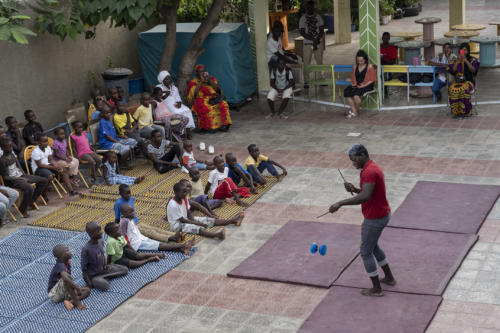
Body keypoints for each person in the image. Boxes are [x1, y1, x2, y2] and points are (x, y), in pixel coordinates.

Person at [328, 144, 396, 297]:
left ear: (361, 156)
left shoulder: (369, 172)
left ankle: (377, 288)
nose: (353, 164)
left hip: (375, 218)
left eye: (354, 160)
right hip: (380, 213)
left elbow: (365, 197)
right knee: (373, 247)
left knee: (365, 252)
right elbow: (367, 193)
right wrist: (354, 190)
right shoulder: (371, 167)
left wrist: (340, 203)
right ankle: (389, 278)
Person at [166, 181, 244, 239]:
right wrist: (196, 223)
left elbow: (188, 212)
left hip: (186, 219)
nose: (185, 193)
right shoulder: (173, 205)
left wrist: (195, 221)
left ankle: (233, 221)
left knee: (208, 220)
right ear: (176, 192)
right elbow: (182, 220)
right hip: (176, 225)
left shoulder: (184, 198)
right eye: (183, 192)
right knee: (196, 229)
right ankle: (217, 235)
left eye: (186, 191)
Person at [114, 184, 184, 243]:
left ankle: (176, 234)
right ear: (120, 194)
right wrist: (117, 231)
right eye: (126, 193)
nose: (128, 195)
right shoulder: (118, 204)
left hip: (137, 221)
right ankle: (172, 238)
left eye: (129, 193)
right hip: (130, 226)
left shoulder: (132, 198)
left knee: (155, 229)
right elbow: (117, 218)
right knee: (150, 233)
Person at [0, 138, 48, 217]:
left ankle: (30, 201)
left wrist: (24, 176)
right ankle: (22, 209)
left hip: (21, 176)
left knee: (44, 180)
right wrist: (20, 179)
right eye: (7, 147)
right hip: (12, 181)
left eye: (11, 146)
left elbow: (19, 167)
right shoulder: (2, 160)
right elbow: (5, 177)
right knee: (29, 188)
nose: (10, 148)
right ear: (2, 148)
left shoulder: (12, 155)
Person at [120, 204, 193, 254]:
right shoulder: (124, 221)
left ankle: (181, 249)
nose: (133, 213)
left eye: (133, 211)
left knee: (158, 243)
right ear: (124, 213)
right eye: (131, 212)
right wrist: (130, 249)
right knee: (159, 246)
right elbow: (124, 236)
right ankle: (183, 246)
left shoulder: (129, 218)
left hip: (141, 238)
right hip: (136, 244)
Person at [81, 222, 129, 291]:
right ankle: (101, 279)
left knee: (125, 269)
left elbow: (103, 254)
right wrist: (89, 283)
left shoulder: (101, 241)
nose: (101, 232)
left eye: (100, 230)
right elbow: (84, 269)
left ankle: (104, 277)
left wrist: (105, 263)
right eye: (98, 231)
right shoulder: (86, 249)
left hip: (103, 270)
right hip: (93, 276)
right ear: (91, 234)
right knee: (105, 286)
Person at [187, 64, 232, 132]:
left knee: (223, 103)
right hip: (200, 100)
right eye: (200, 71)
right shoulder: (193, 82)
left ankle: (224, 124)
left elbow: (218, 90)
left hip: (213, 98)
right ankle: (210, 127)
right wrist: (201, 81)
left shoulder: (211, 79)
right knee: (207, 108)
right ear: (196, 73)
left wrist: (210, 80)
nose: (202, 73)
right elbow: (194, 95)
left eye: (204, 71)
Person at [48, 244, 90, 310]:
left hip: (64, 290)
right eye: (67, 251)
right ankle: (77, 303)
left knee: (87, 290)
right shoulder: (60, 265)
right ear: (62, 255)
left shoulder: (67, 262)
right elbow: (65, 278)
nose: (70, 252)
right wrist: (77, 287)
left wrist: (77, 289)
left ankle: (70, 302)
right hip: (55, 294)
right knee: (66, 279)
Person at [156, 71, 195, 139]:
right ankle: (180, 131)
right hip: (166, 105)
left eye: (169, 78)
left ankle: (188, 130)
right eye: (166, 79)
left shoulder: (174, 88)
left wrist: (179, 103)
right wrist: (166, 93)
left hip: (175, 104)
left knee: (187, 110)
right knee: (177, 112)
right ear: (162, 80)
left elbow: (178, 97)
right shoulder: (159, 87)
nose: (168, 80)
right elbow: (158, 98)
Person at [448, 42, 479, 118]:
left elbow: (473, 70)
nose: (463, 52)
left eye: (465, 50)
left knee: (464, 89)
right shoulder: (456, 60)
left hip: (469, 82)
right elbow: (453, 70)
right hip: (457, 82)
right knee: (452, 89)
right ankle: (456, 112)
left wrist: (466, 61)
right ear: (459, 51)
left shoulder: (472, 60)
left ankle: (465, 112)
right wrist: (458, 62)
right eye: (462, 50)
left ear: (468, 51)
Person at [344, 50, 377, 119]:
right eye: (358, 60)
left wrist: (364, 85)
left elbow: (373, 79)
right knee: (347, 91)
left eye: (362, 60)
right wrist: (351, 80)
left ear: (365, 59)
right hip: (357, 84)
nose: (360, 62)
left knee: (356, 96)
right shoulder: (355, 66)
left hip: (367, 85)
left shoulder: (370, 67)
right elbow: (353, 76)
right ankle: (355, 110)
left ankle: (355, 111)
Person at [299, 1, 325, 85]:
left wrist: (316, 40)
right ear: (306, 8)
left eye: (312, 7)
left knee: (320, 62)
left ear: (314, 7)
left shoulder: (318, 17)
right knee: (306, 62)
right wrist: (313, 40)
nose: (310, 8)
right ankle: (306, 81)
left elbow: (321, 30)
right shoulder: (303, 18)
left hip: (318, 42)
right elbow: (302, 32)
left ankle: (320, 79)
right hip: (307, 44)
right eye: (308, 7)